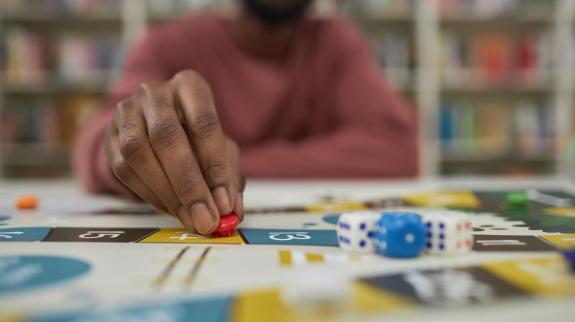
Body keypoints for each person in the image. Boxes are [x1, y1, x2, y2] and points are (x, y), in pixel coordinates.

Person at [73, 0, 418, 235]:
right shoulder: (168, 44)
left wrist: (233, 165)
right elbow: (96, 144)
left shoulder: (336, 42)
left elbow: (399, 149)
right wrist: (128, 145)